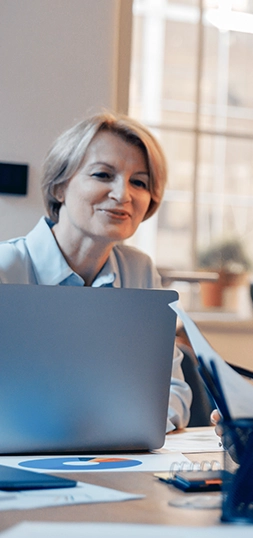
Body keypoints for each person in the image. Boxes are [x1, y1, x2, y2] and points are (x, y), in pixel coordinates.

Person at [0, 112, 192, 431]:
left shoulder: (140, 271)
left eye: (139, 182)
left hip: (116, 459)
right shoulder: (6, 270)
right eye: (103, 175)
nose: (123, 194)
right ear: (59, 187)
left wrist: (110, 429)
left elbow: (172, 393)